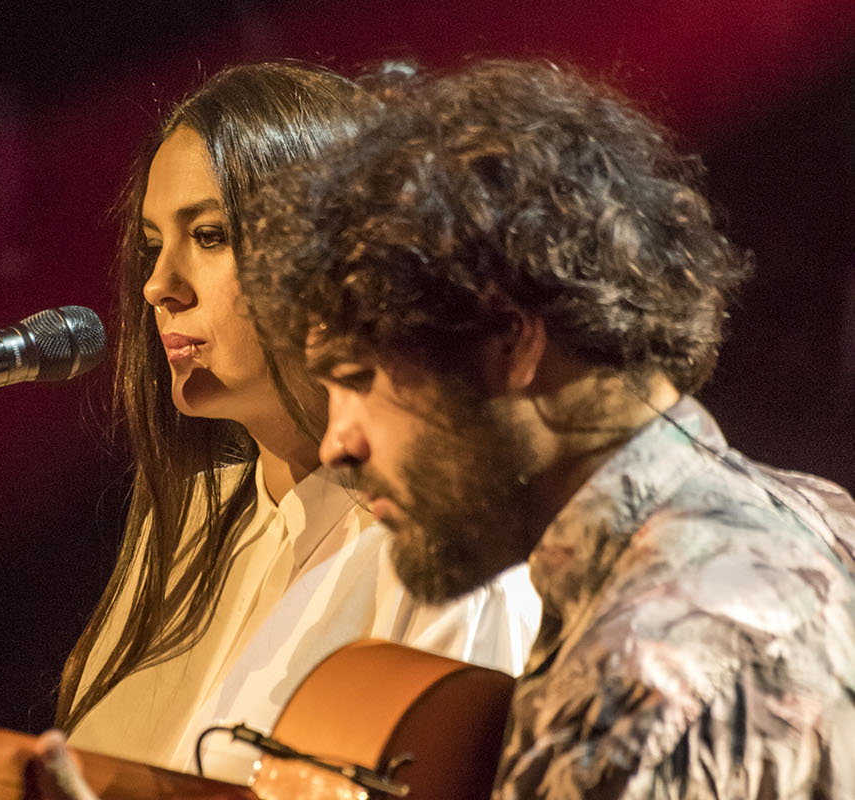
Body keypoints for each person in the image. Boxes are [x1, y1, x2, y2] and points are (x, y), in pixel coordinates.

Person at [235, 59, 855, 797]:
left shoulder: (638, 683)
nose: (338, 443)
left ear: (511, 340)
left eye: (359, 379)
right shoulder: (824, 516)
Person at [54, 62, 541, 784]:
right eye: (155, 242)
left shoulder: (452, 559)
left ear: (332, 260)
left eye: (212, 236)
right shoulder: (186, 522)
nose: (159, 285)